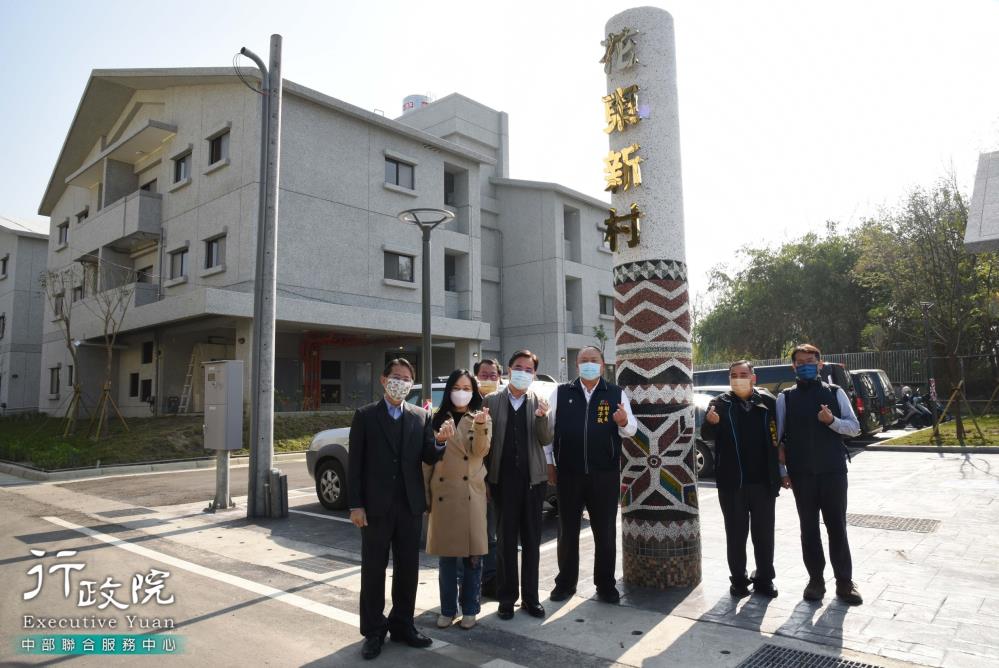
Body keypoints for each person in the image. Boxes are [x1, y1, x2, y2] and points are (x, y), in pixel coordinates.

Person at [347, 358, 447, 660]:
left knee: (408, 570)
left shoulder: (420, 416)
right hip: (375, 508)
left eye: (406, 379)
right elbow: (355, 466)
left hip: (409, 506)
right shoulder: (365, 416)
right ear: (383, 379)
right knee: (374, 570)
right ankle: (374, 631)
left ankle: (403, 625)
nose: (400, 383)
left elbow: (428, 455)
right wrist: (356, 505)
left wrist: (440, 443)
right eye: (396, 377)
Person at [547, 346, 637, 604]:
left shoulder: (615, 393)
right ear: (577, 365)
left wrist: (622, 421)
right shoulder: (561, 393)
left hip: (604, 474)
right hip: (568, 473)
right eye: (584, 360)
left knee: (605, 532)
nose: (588, 364)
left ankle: (606, 585)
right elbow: (548, 432)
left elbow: (631, 429)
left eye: (593, 360)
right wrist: (549, 464)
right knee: (567, 531)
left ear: (602, 364)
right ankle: (565, 583)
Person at [777, 343, 863, 606]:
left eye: (810, 361)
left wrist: (832, 422)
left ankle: (845, 583)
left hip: (833, 471)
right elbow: (779, 439)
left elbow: (855, 428)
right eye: (799, 362)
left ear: (820, 364)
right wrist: (783, 471)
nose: (805, 365)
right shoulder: (786, 398)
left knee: (837, 527)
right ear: (793, 366)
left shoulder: (835, 393)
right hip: (802, 475)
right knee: (809, 529)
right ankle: (816, 581)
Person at [702, 360, 786, 598]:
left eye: (743, 374)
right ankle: (738, 579)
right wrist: (711, 423)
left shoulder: (768, 402)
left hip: (764, 482)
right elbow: (706, 434)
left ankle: (764, 579)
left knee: (764, 534)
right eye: (733, 375)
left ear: (753, 378)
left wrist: (782, 472)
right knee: (736, 534)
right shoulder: (719, 404)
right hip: (732, 483)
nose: (738, 378)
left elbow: (780, 438)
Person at [482, 350, 553, 620]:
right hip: (502, 481)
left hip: (533, 482)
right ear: (509, 370)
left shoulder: (540, 401)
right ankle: (506, 598)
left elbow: (545, 440)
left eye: (529, 368)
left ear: (534, 374)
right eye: (518, 367)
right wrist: (487, 479)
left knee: (532, 541)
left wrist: (542, 418)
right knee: (505, 542)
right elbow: (486, 444)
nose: (523, 372)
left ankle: (531, 598)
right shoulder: (492, 400)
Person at [424, 369, 492, 630]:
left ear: (473, 392)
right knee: (447, 560)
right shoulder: (435, 419)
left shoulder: (480, 417)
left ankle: (471, 609)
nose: (461, 392)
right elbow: (427, 459)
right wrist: (426, 496)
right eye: (457, 387)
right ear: (449, 390)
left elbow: (480, 451)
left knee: (474, 557)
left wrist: (483, 425)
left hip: (471, 495)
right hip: (443, 495)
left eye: (467, 387)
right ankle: (447, 609)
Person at [473, 358, 502, 599]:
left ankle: (490, 581)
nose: (489, 379)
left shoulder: (501, 404)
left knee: (492, 535)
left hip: (494, 481)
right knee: (470, 534)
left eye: (493, 375)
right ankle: (470, 581)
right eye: (484, 374)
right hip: (469, 482)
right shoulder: (466, 404)